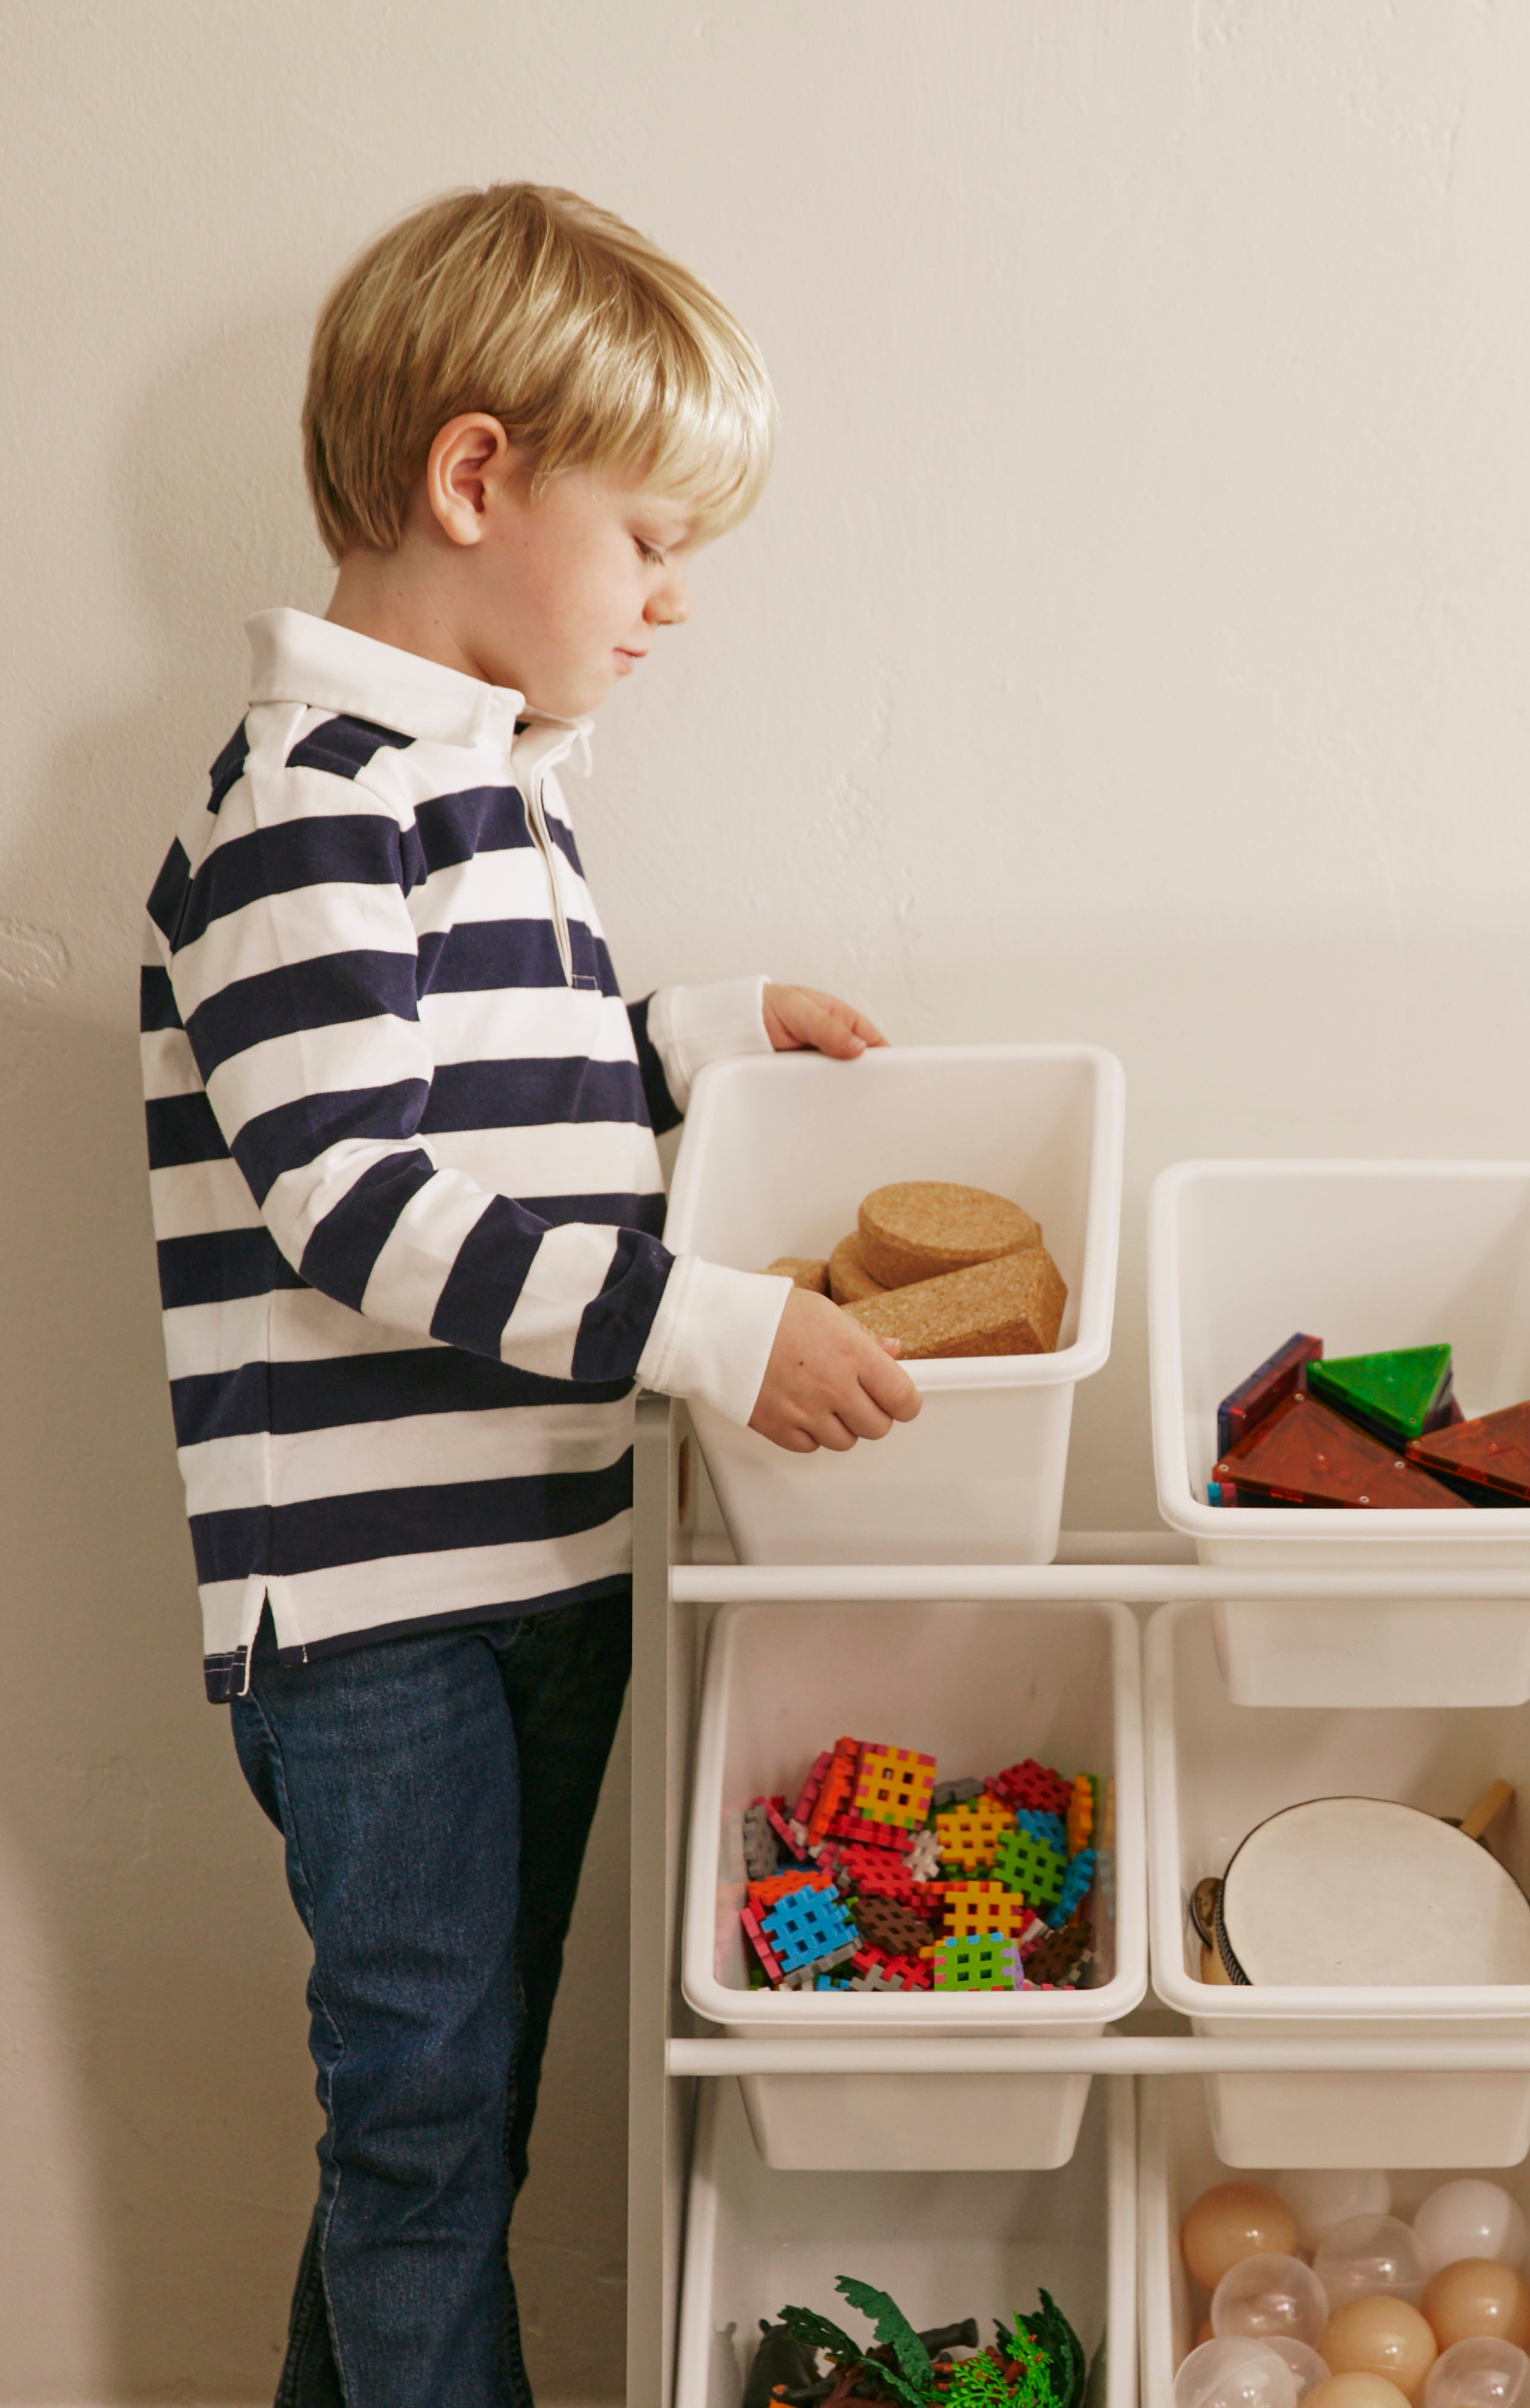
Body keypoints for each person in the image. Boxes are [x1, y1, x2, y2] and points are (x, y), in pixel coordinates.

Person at [137, 182, 916, 2406]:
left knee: (445, 2133)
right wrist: (717, 1331)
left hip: (543, 1559)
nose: (674, 601)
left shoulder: (499, 797)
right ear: (475, 478)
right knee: (422, 2136)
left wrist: (694, 1040)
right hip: (378, 1619)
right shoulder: (309, 807)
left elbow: (502, 1094)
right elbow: (353, 1197)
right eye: (652, 539)